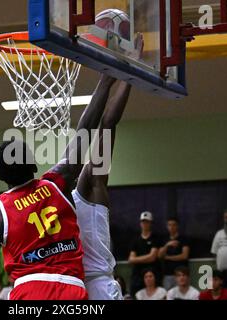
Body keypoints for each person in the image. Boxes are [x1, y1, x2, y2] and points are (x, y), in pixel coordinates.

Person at [0, 74, 116, 300]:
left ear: (1, 178)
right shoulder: (56, 183)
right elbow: (85, 129)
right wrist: (106, 81)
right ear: (34, 166)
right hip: (72, 290)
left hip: (30, 292)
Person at [72, 77, 134, 300]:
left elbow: (107, 124)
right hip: (80, 286)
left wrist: (126, 77)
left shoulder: (85, 192)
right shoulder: (79, 192)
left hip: (90, 286)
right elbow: (107, 124)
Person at [128, 211, 161, 296]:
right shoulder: (135, 240)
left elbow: (152, 257)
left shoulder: (155, 238)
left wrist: (137, 259)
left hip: (152, 275)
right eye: (143, 221)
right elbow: (131, 259)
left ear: (151, 223)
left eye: (147, 222)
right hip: (137, 276)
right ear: (140, 223)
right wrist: (146, 257)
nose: (144, 224)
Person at [158, 217, 190, 290]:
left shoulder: (183, 239)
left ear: (177, 226)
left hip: (182, 274)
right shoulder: (163, 239)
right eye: (169, 225)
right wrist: (167, 245)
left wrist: (168, 257)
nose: (171, 227)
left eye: (174, 225)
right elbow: (159, 255)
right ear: (167, 226)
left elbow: (184, 256)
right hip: (168, 274)